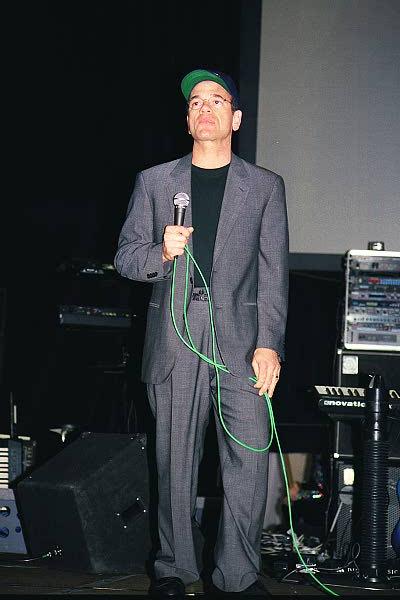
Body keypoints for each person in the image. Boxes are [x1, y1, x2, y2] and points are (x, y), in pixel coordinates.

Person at [115, 68, 289, 598]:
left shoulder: (265, 187)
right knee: (174, 460)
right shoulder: (155, 182)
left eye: (216, 100)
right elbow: (126, 258)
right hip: (174, 339)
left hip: (243, 343)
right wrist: (162, 253)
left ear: (235, 118)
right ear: (187, 120)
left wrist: (270, 344)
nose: (205, 108)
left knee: (249, 460)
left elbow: (273, 273)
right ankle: (174, 568)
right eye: (195, 102)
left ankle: (238, 575)